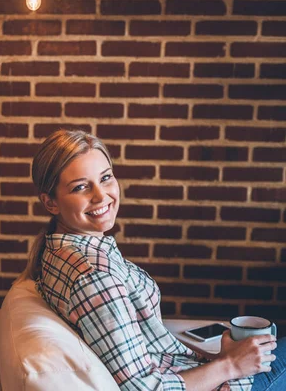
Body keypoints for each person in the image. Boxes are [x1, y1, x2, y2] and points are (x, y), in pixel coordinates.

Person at [17, 129, 285, 391]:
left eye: (106, 178)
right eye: (81, 187)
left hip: (195, 370)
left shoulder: (55, 250)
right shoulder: (94, 276)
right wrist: (232, 365)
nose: (101, 196)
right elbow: (144, 387)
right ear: (50, 202)